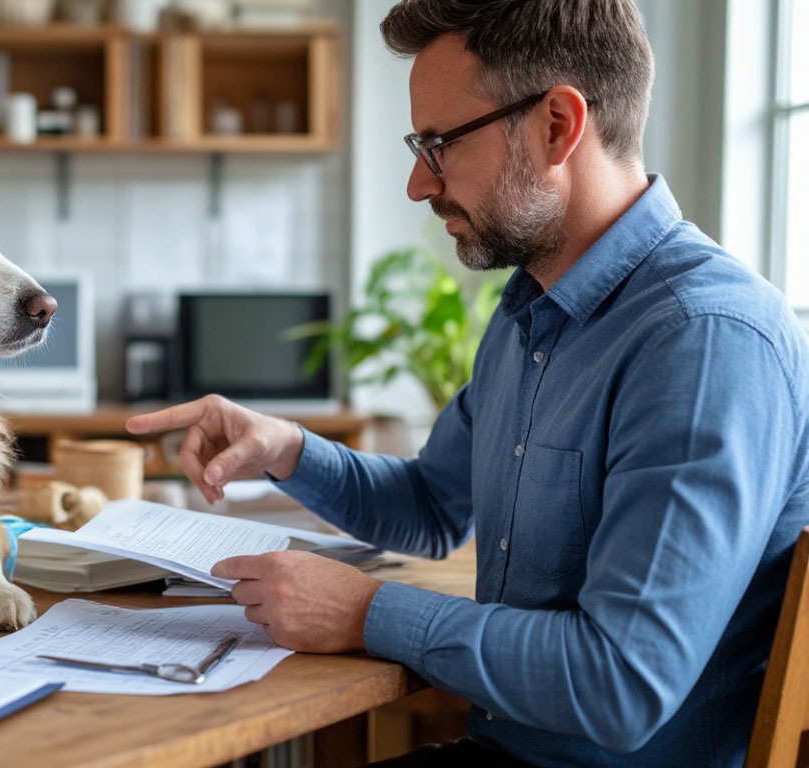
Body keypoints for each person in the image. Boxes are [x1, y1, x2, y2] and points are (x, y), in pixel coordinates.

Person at [126, 1, 809, 766]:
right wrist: (287, 449)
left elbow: (621, 682)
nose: (419, 184)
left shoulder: (704, 339)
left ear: (557, 125)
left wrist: (368, 611)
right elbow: (431, 506)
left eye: (440, 144)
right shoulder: (532, 311)